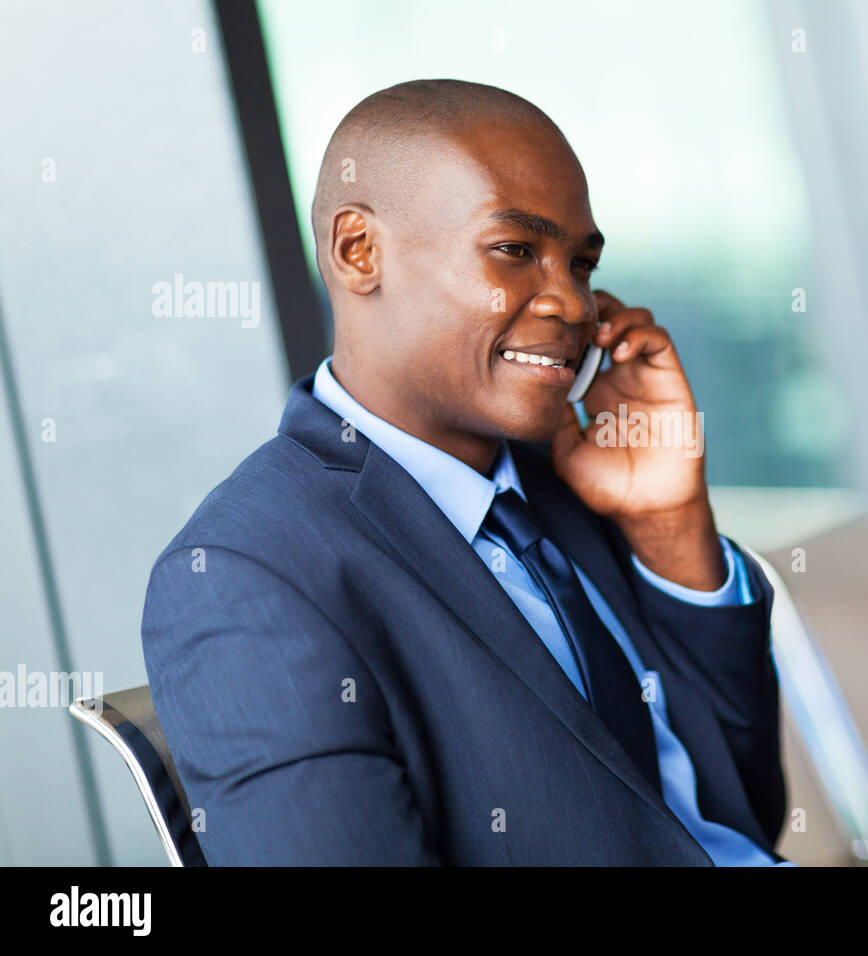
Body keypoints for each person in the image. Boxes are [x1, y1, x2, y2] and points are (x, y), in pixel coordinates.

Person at [142, 79, 787, 865]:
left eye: (581, 264)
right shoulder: (245, 575)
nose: (576, 306)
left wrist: (669, 525)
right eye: (516, 250)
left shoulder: (571, 483)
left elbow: (742, 815)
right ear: (359, 251)